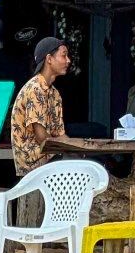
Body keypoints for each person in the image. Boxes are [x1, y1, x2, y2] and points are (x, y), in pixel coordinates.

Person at [9, 37, 84, 176]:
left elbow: (60, 135)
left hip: (50, 158)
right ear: (49, 59)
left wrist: (81, 149)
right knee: (80, 167)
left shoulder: (54, 94)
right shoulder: (35, 89)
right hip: (33, 166)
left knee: (88, 162)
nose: (68, 60)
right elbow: (41, 137)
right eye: (64, 55)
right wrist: (69, 150)